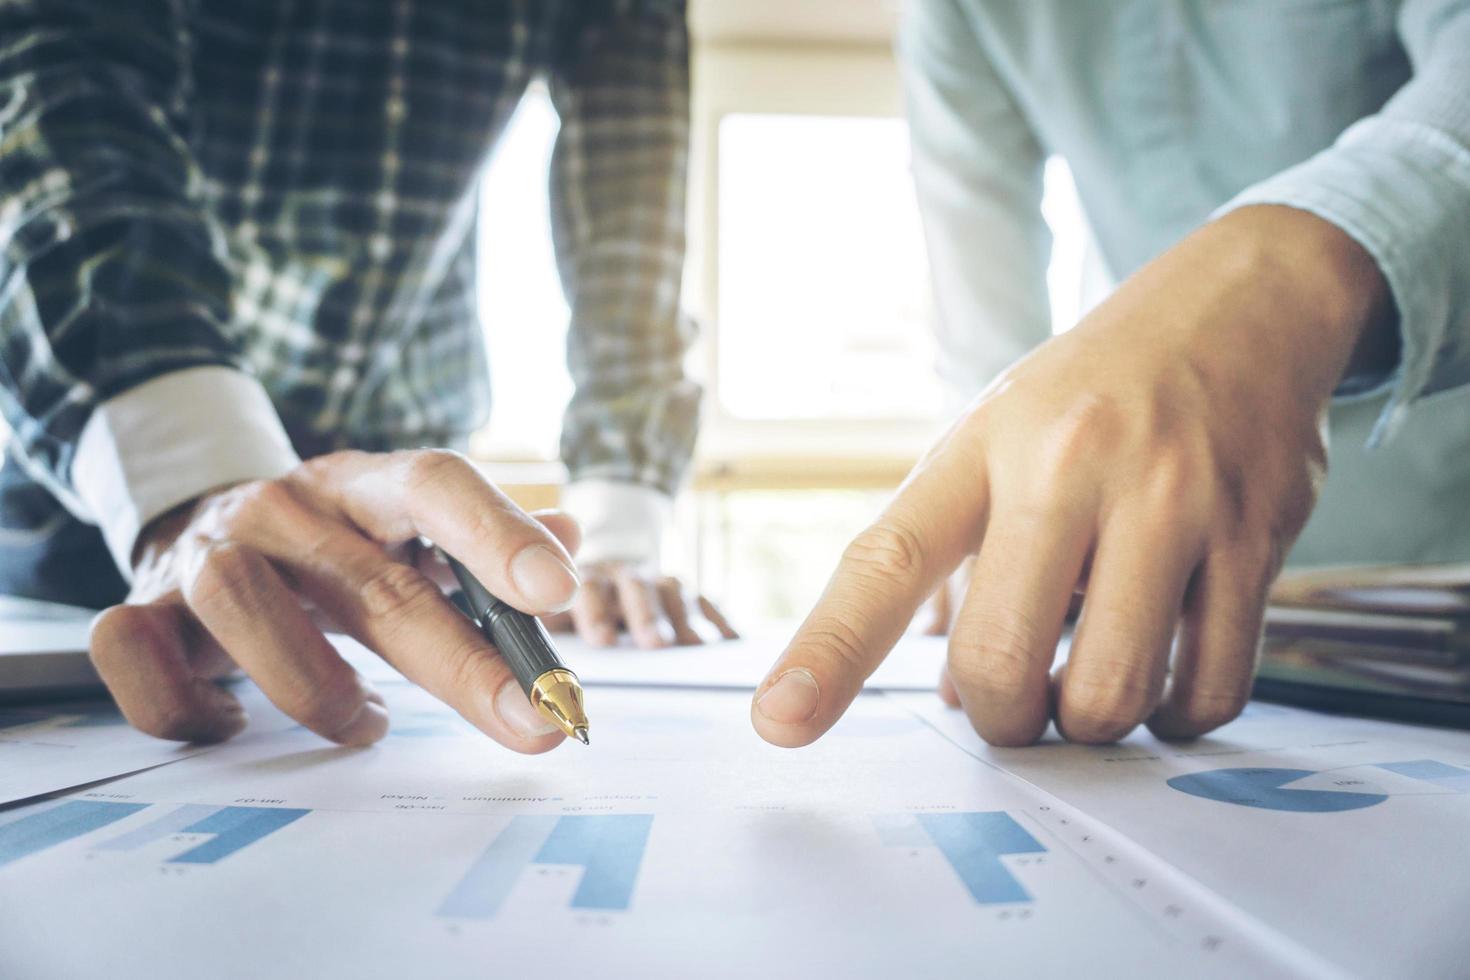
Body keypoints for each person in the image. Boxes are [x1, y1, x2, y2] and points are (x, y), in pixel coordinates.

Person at [0, 0, 731, 751]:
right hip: (111, 492)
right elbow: (57, 102)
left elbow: (631, 226)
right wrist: (193, 477)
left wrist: (619, 526)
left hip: (401, 503)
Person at [752, 0, 1470, 749]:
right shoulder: (959, 17)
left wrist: (1283, 275)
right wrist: (1006, 532)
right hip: (1170, 596)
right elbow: (988, 343)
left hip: (1443, 556)